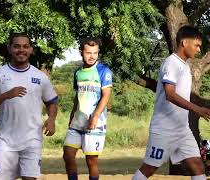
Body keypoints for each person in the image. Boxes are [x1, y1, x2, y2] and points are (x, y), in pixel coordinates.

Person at [132, 26, 210, 180]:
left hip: (182, 130)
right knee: (149, 168)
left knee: (198, 167)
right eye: (197, 45)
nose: (199, 49)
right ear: (184, 42)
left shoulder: (185, 66)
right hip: (164, 130)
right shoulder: (172, 63)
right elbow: (170, 94)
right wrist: (197, 109)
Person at [0, 32, 58, 180]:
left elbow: (51, 101)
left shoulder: (40, 77)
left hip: (32, 140)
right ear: (9, 49)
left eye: (25, 46)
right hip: (6, 142)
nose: (21, 50)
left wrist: (52, 119)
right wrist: (6, 95)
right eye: (16, 46)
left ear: (31, 50)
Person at [63, 37, 113, 180]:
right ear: (81, 52)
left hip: (95, 121)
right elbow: (77, 95)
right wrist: (72, 114)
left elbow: (106, 96)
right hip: (78, 120)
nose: (92, 56)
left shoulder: (104, 71)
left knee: (91, 161)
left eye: (95, 53)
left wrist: (96, 116)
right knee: (68, 154)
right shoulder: (78, 72)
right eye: (88, 53)